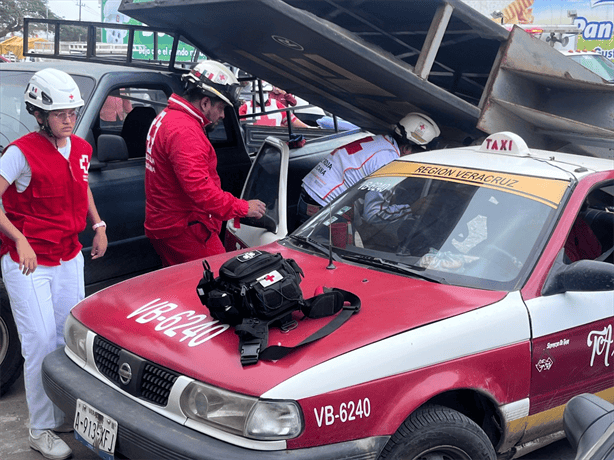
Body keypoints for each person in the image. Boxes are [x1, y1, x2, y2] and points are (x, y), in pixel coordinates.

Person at [0, 68, 108, 460]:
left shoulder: (80, 148)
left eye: (72, 111)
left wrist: (98, 225)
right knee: (40, 343)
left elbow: (82, 186)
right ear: (40, 114)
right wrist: (19, 238)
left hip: (68, 256)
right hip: (28, 262)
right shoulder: (20, 153)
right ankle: (39, 428)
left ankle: (62, 413)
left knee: (67, 340)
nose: (69, 118)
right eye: (60, 112)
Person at [144, 60, 266, 266]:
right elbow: (202, 192)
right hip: (184, 229)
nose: (222, 115)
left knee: (182, 284)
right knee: (219, 280)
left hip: (168, 225)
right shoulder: (185, 131)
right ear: (205, 103)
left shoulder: (167, 117)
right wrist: (243, 208)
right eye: (221, 108)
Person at [298, 112, 440, 223]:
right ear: (408, 148)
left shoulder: (382, 141)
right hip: (323, 206)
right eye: (420, 154)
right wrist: (411, 209)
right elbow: (373, 214)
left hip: (310, 195)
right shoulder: (389, 163)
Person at [239, 86, 311, 128]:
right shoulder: (246, 107)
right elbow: (240, 126)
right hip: (253, 143)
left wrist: (309, 129)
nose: (261, 94)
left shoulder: (276, 104)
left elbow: (292, 120)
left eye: (264, 92)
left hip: (275, 140)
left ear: (268, 92)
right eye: (258, 92)